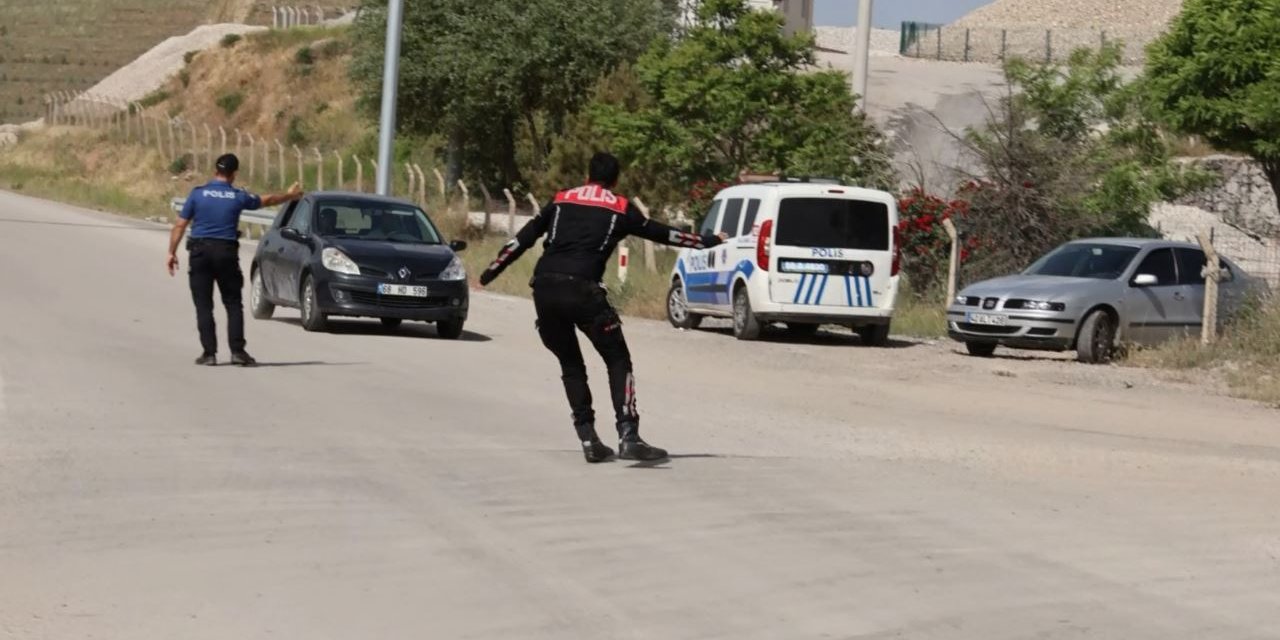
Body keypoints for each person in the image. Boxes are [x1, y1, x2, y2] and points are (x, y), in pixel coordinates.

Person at [479, 152, 726, 463]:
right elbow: (665, 233)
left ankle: (588, 438)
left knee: (571, 365)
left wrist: (490, 272)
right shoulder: (619, 207)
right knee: (617, 358)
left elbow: (522, 240)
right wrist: (707, 241)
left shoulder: (561, 200)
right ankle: (629, 435)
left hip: (545, 288)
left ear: (587, 176)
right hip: (583, 290)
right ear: (615, 180)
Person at [166, 154, 303, 366]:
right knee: (232, 304)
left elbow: (180, 225)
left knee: (203, 305)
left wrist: (171, 252)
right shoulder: (237, 196)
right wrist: (289, 196)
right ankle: (237, 351)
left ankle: (209, 354)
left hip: (200, 253)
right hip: (226, 253)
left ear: (215, 171)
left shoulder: (198, 194)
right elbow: (267, 200)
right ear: (234, 174)